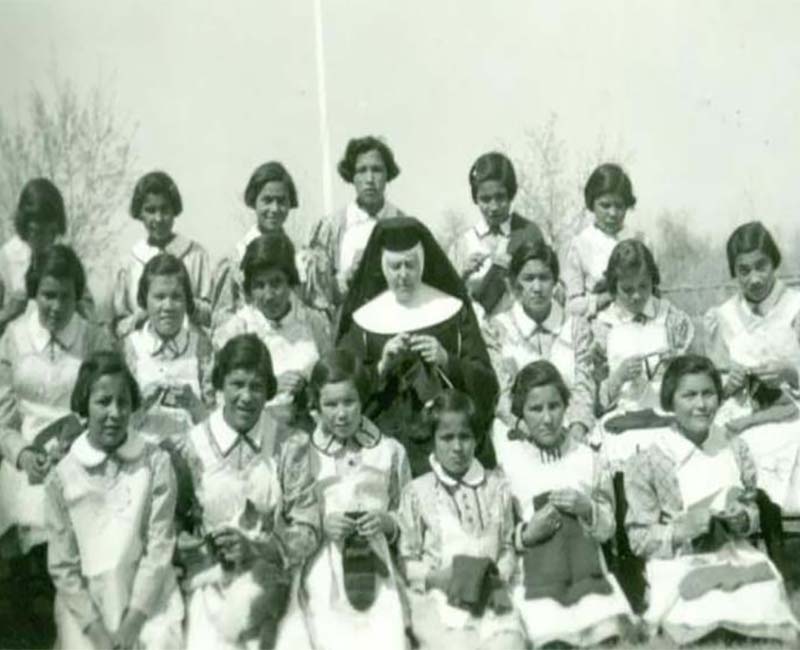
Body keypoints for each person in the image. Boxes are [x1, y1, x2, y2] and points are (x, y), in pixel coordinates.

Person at [624, 354, 799, 645]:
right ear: (670, 400)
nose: (701, 405)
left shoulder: (734, 447)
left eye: (709, 394)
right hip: (681, 559)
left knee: (761, 593)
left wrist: (743, 516)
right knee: (700, 602)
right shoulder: (651, 459)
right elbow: (638, 538)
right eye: (689, 395)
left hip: (731, 552)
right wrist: (681, 530)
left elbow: (752, 506)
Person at [0, 244, 112, 647]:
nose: (56, 305)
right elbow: (3, 417)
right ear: (34, 292)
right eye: (48, 294)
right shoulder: (13, 338)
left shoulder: (95, 338)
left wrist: (79, 445)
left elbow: (111, 406)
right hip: (22, 463)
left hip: (81, 457)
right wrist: (22, 454)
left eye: (65, 295)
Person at [178, 334, 320, 650]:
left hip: (273, 584)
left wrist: (259, 550)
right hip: (210, 585)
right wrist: (194, 546)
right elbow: (174, 526)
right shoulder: (191, 447)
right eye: (237, 384)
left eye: (256, 387)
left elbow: (308, 527)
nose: (246, 396)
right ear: (220, 385)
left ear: (268, 390)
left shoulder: (289, 444)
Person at [336, 216, 498, 477]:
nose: (403, 275)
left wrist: (447, 360)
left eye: (410, 265)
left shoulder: (452, 309)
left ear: (422, 264)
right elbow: (340, 386)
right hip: (379, 446)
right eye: (395, 266)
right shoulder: (363, 320)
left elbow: (487, 384)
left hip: (445, 443)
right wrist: (381, 367)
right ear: (382, 266)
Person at [45, 350, 184, 649]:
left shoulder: (155, 463)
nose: (115, 413)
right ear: (85, 404)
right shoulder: (63, 476)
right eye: (103, 402)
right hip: (86, 606)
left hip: (147, 599)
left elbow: (159, 547)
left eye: (123, 402)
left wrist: (133, 623)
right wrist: (97, 633)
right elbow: (63, 564)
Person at [493, 360, 633, 647]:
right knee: (552, 638)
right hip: (536, 577)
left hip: (588, 573)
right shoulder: (508, 466)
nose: (547, 419)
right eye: (535, 409)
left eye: (554, 406)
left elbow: (609, 529)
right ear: (521, 412)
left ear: (566, 406)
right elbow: (500, 538)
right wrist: (527, 534)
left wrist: (587, 509)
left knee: (605, 635)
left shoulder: (587, 458)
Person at [278, 349, 411, 650]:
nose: (341, 413)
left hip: (378, 570)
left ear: (363, 399)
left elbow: (408, 515)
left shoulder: (389, 451)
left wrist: (386, 523)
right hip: (323, 568)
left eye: (349, 402)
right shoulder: (301, 453)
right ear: (316, 404)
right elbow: (286, 518)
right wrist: (320, 525)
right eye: (331, 404)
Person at [398, 390, 526, 650]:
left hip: (492, 595)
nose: (457, 447)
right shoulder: (418, 492)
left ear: (477, 439)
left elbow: (507, 547)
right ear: (432, 440)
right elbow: (407, 559)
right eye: (447, 438)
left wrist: (497, 576)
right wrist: (437, 578)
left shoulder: (496, 486)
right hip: (441, 598)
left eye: (465, 437)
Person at [704, 221, 800, 515]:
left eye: (762, 266)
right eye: (744, 270)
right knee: (723, 444)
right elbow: (711, 386)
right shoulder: (724, 316)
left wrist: (790, 372)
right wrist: (728, 381)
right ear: (735, 272)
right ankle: (749, 526)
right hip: (740, 412)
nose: (754, 278)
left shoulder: (795, 307)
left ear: (774, 263)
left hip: (792, 408)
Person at [213, 233, 331, 429]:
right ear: (249, 290)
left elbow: (332, 380)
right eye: (259, 285)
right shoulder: (237, 329)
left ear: (291, 282)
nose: (269, 295)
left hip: (311, 429)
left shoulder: (313, 322)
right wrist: (270, 388)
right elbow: (221, 399)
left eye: (276, 283)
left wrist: (310, 390)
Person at [483, 241, 594, 440]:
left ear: (555, 282)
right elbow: (501, 396)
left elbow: (583, 387)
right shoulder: (496, 329)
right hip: (518, 431)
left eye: (544, 278)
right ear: (516, 283)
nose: (537, 287)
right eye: (528, 278)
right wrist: (528, 431)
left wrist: (576, 431)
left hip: (571, 431)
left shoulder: (576, 326)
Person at [300, 136, 405, 317]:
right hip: (349, 328)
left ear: (388, 174)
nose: (370, 179)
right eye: (362, 171)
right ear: (351, 176)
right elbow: (318, 296)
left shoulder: (403, 223)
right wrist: (348, 278)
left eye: (377, 170)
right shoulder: (331, 228)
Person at [122, 253, 215, 449]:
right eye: (159, 297)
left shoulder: (202, 348)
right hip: (139, 456)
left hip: (194, 454)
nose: (168, 306)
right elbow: (116, 422)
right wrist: (141, 406)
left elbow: (217, 422)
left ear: (187, 301)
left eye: (176, 297)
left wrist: (194, 405)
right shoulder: (130, 348)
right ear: (144, 300)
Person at [112, 171, 212, 338]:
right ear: (140, 213)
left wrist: (188, 305)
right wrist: (143, 314)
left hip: (189, 346)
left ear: (174, 210)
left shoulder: (195, 255)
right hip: (143, 349)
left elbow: (211, 316)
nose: (158, 218)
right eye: (150, 210)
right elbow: (118, 324)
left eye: (165, 209)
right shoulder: (129, 262)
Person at [448, 152, 544, 317]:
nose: (493, 207)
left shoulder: (529, 234)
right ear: (475, 198)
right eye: (485, 199)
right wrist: (462, 275)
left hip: (521, 332)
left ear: (511, 194)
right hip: (478, 333)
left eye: (500, 197)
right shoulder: (462, 245)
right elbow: (447, 301)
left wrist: (516, 271)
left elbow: (548, 287)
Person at [211, 161, 301, 326]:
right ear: (254, 202)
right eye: (267, 200)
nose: (274, 209)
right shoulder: (235, 259)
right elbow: (220, 317)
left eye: (281, 201)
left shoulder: (302, 258)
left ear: (290, 203)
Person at [0, 178, 93, 334]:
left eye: (51, 229)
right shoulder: (6, 257)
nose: (46, 237)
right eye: (38, 228)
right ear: (26, 223)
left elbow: (88, 309)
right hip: (16, 344)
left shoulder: (64, 256)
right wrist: (9, 313)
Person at [562, 163, 640, 318]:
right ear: (592, 204)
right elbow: (571, 306)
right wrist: (607, 297)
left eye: (619, 206)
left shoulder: (639, 241)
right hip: (596, 329)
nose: (612, 213)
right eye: (605, 205)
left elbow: (653, 293)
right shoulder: (580, 245)